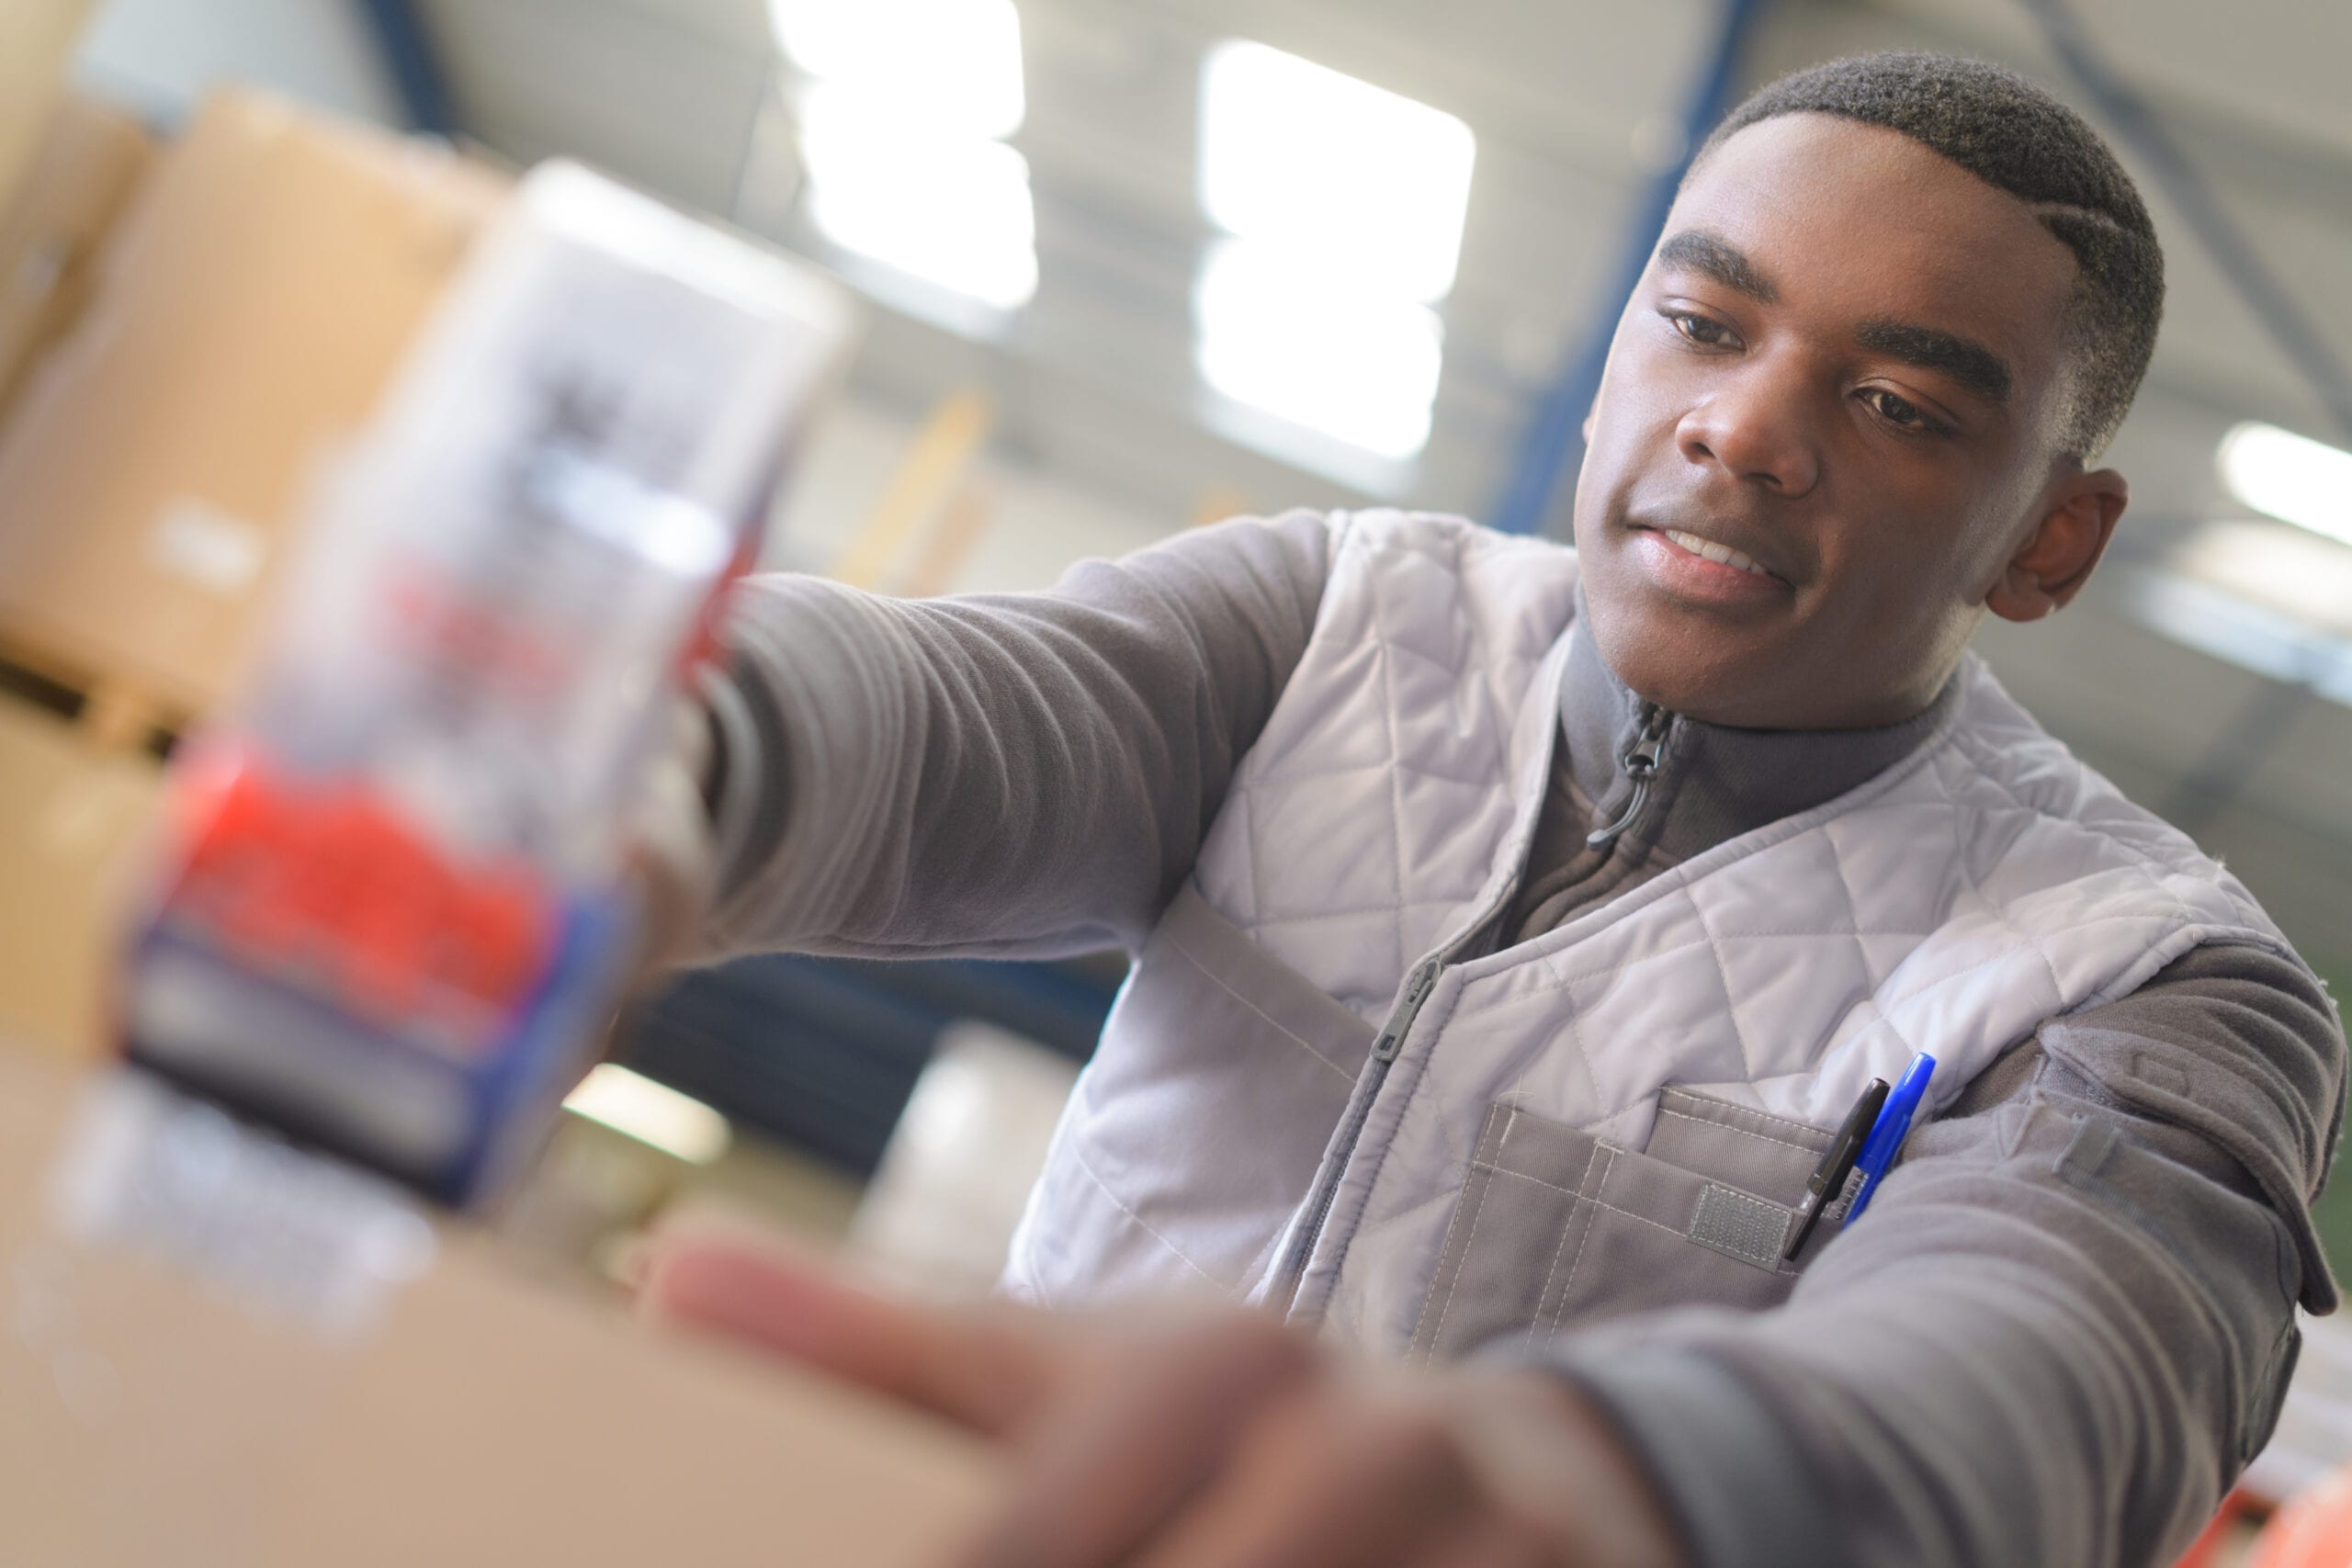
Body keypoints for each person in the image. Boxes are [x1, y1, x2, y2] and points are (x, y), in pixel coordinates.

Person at [633, 51, 2346, 1568]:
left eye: (1895, 405)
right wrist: (655, 741)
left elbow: (2055, 1371)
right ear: (1614, 359)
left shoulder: (2145, 979)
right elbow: (941, 723)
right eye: (1700, 325)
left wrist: (1620, 1479)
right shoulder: (1332, 627)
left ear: (2053, 539)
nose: (1742, 428)